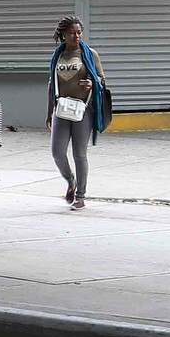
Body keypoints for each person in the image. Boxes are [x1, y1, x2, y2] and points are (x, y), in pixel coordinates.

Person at [47, 16, 109, 211]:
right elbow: (52, 84)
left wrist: (93, 83)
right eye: (72, 32)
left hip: (83, 109)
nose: (76, 36)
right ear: (63, 34)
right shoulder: (57, 56)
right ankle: (70, 180)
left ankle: (80, 196)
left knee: (79, 154)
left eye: (79, 32)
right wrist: (49, 111)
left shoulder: (89, 54)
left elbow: (101, 78)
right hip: (61, 109)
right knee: (57, 152)